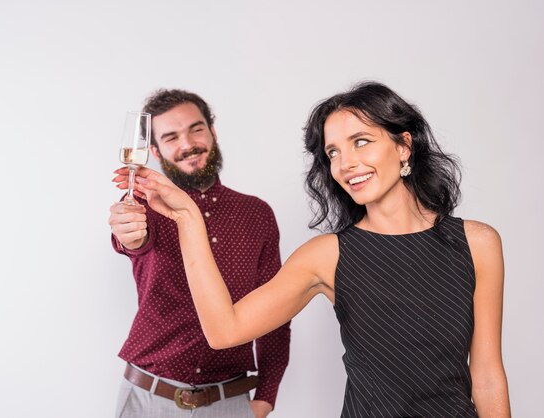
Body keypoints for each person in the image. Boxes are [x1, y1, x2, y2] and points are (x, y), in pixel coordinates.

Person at [129, 82, 511, 417]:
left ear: (403, 146)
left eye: (361, 141)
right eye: (333, 153)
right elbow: (224, 330)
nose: (346, 164)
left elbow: (488, 374)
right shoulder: (327, 255)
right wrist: (188, 218)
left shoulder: (478, 243)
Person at [109, 89, 291, 418]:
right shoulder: (145, 206)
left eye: (196, 129)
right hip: (147, 401)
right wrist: (127, 231)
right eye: (171, 136)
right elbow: (132, 239)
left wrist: (266, 396)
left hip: (230, 403)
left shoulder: (257, 214)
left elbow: (275, 314)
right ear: (154, 150)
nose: (188, 144)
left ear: (212, 131)